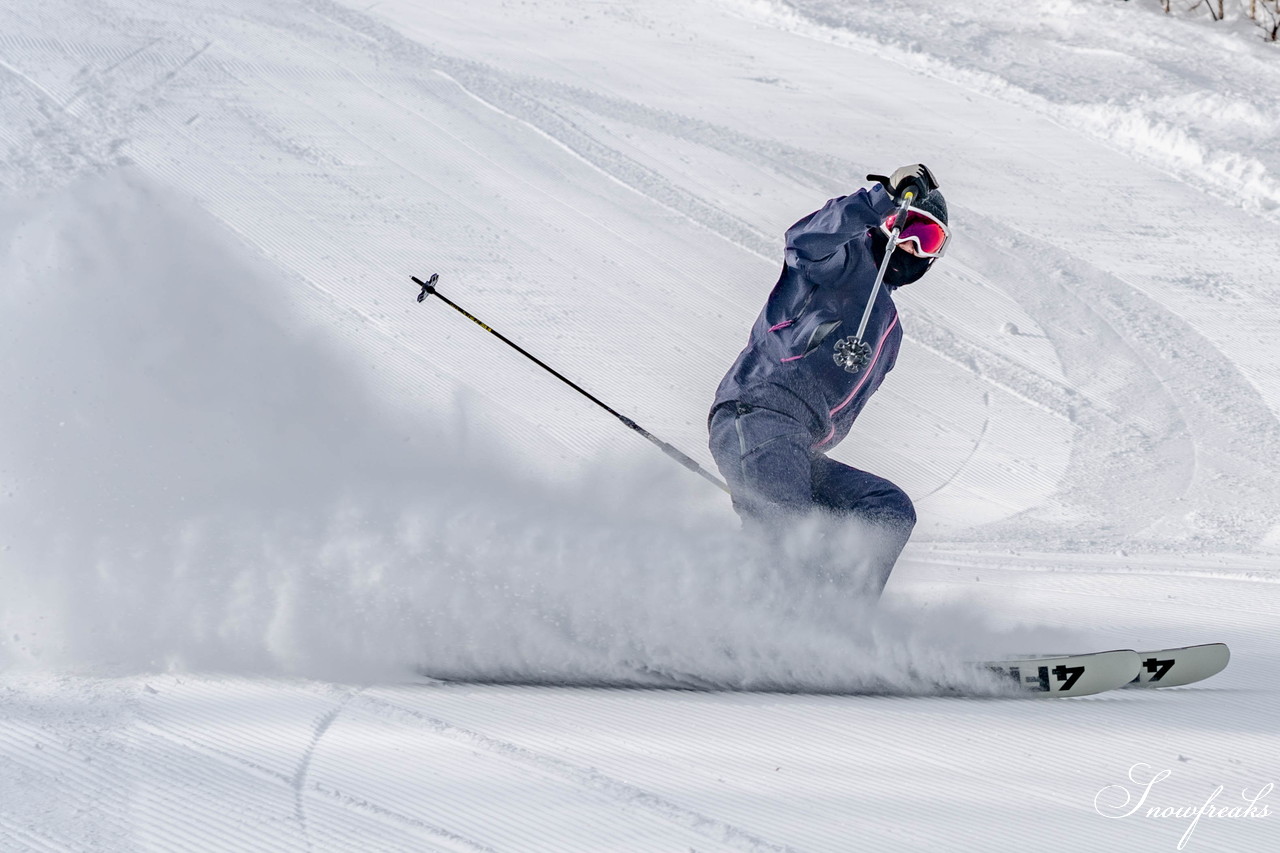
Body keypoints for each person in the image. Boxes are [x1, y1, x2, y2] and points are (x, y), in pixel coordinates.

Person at [707, 164, 950, 597]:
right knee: (787, 539)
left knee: (886, 508)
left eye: (928, 240)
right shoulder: (839, 265)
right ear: (885, 225)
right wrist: (883, 198)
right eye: (906, 228)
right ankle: (736, 629)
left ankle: (840, 626)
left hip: (801, 447)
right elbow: (805, 242)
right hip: (759, 416)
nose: (911, 247)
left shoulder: (889, 328)